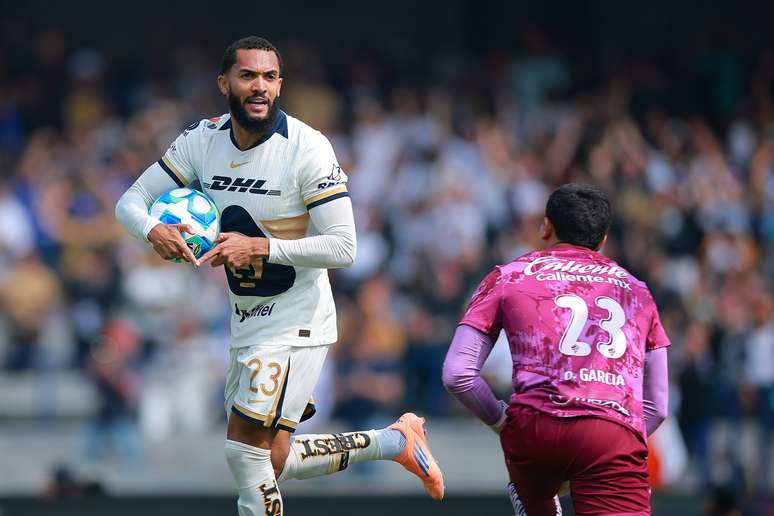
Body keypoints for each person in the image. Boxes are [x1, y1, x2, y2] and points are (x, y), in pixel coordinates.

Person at [116, 36, 443, 515]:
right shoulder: (201, 140)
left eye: (270, 77)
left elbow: (344, 247)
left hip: (297, 320)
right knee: (273, 458)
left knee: (242, 451)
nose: (260, 87)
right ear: (224, 83)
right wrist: (153, 230)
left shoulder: (308, 148)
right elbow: (130, 202)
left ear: (280, 85)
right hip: (246, 320)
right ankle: (394, 441)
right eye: (248, 75)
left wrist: (260, 247)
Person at [442, 183, 669, 515]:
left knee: (535, 477)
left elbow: (457, 374)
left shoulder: (508, 276)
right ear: (603, 240)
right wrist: (614, 441)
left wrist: (501, 421)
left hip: (535, 429)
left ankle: (535, 493)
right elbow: (658, 406)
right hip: (612, 431)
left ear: (545, 227)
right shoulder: (638, 291)